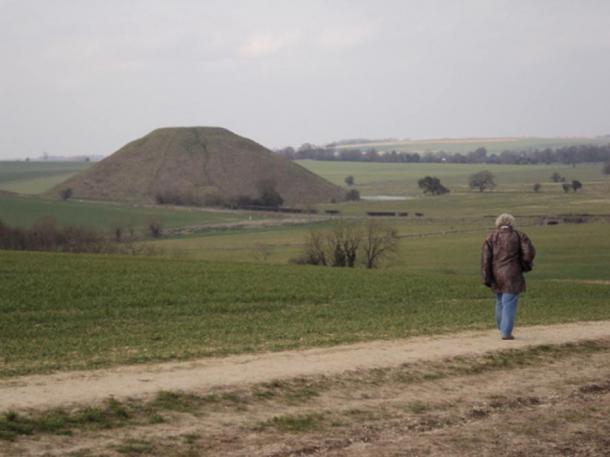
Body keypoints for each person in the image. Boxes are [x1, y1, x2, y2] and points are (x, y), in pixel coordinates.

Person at [481, 213, 536, 340]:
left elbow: (485, 259)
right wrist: (525, 265)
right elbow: (528, 254)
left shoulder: (490, 237)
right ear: (511, 223)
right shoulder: (519, 235)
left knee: (500, 301)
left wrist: (486, 276)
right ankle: (506, 333)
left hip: (496, 274)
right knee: (509, 302)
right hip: (513, 274)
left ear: (498, 223)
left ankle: (502, 328)